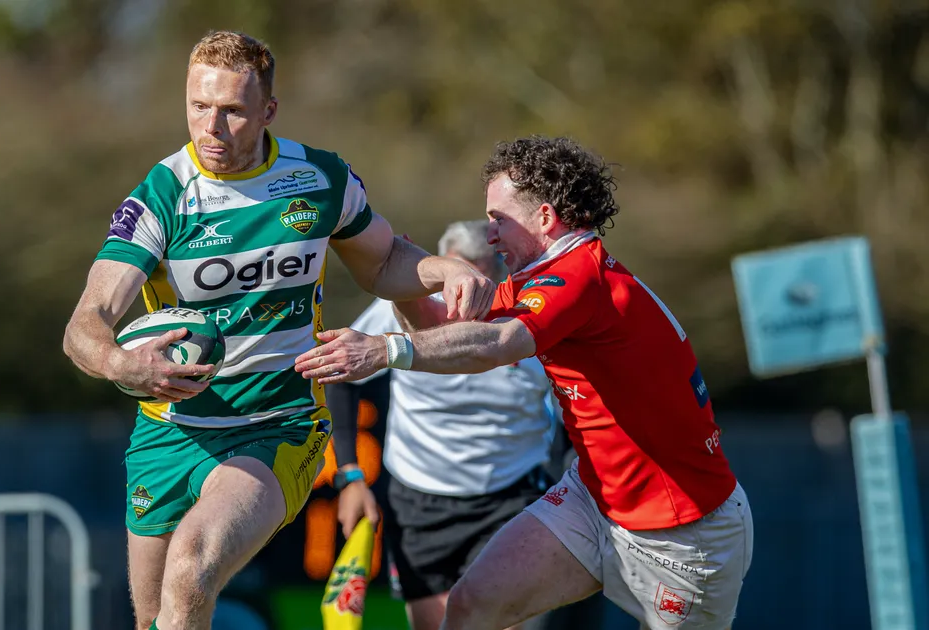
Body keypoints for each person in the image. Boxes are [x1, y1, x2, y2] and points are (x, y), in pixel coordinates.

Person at [61, 30, 495, 630]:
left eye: (232, 111)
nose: (210, 127)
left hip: (277, 423)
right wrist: (119, 364)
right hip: (169, 429)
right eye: (197, 106)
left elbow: (383, 262)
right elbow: (86, 323)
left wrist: (439, 268)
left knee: (192, 567)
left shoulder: (319, 178)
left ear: (268, 111)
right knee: (157, 615)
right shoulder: (161, 195)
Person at [295, 135, 754, 630]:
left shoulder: (578, 277)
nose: (490, 235)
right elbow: (441, 331)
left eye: (499, 220)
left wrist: (383, 350)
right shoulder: (545, 279)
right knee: (471, 606)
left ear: (545, 217)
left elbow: (495, 345)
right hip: (592, 499)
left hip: (682, 533)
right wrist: (404, 268)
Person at [328, 220, 562, 630]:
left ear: (500, 276)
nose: (460, 302)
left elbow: (574, 410)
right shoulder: (397, 308)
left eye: (479, 287)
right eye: (453, 283)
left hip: (511, 495)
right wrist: (350, 477)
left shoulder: (529, 316)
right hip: (418, 500)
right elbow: (343, 376)